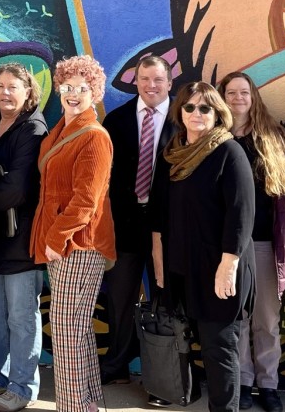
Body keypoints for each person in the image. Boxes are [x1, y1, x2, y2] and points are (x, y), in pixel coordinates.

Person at [152, 82, 255, 412]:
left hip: (218, 270)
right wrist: (159, 266)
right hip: (182, 269)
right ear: (180, 112)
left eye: (205, 108)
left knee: (219, 350)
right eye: (190, 107)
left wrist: (228, 268)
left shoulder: (229, 152)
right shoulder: (172, 154)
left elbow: (241, 214)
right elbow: (159, 214)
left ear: (217, 113)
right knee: (193, 345)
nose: (197, 113)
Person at [30, 55, 116, 412]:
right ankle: (89, 403)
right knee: (75, 330)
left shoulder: (94, 136)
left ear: (95, 92)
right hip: (64, 244)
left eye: (83, 88)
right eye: (67, 87)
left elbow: (86, 200)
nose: (73, 94)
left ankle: (73, 407)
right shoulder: (59, 131)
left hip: (77, 244)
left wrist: (55, 239)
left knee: (66, 334)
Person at [219, 72, 285, 412]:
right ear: (222, 98)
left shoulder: (273, 137)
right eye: (231, 92)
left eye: (244, 92)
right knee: (236, 317)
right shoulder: (215, 138)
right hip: (228, 247)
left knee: (267, 319)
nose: (238, 98)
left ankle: (268, 384)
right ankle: (241, 381)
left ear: (253, 96)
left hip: (267, 243)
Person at [0, 63, 48, 412]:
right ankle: (1, 378)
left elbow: (17, 188)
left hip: (19, 236)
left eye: (13, 87)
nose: (5, 92)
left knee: (21, 313)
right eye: (0, 86)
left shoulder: (32, 129)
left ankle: (22, 387)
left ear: (28, 92)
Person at [101, 55, 174, 390]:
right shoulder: (115, 121)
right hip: (125, 226)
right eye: (145, 79)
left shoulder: (184, 120)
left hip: (168, 228)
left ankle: (164, 372)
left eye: (158, 79)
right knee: (119, 298)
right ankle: (117, 363)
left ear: (169, 83)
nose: (151, 86)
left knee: (165, 297)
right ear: (136, 80)